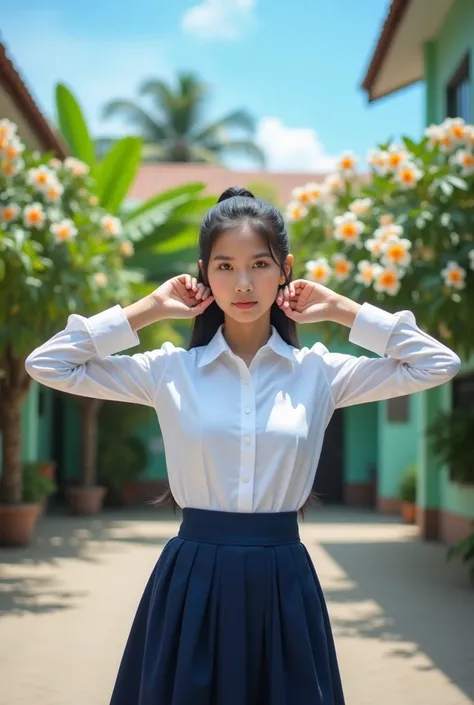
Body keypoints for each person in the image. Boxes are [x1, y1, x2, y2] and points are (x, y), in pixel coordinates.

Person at [25, 187, 461, 705]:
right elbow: (48, 363)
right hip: (192, 582)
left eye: (259, 263)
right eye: (225, 267)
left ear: (286, 269)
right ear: (203, 274)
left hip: (283, 583)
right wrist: (146, 309)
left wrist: (344, 310)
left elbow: (438, 363)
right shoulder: (168, 371)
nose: (244, 283)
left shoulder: (320, 372)